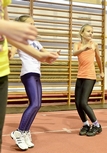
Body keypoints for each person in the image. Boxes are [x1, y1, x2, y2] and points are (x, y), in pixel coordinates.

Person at [0, 1, 58, 152]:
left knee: (38, 104)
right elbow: (12, 47)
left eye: (34, 23)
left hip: (36, 72)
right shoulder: (19, 38)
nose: (33, 26)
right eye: (30, 24)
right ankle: (19, 131)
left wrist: (52, 54)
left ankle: (25, 132)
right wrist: (10, 53)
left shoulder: (35, 41)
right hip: (27, 73)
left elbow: (42, 52)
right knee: (33, 103)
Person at [73, 24, 104, 137]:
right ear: (82, 33)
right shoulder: (77, 44)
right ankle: (86, 124)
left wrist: (101, 71)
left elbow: (98, 59)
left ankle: (96, 125)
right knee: (77, 103)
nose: (91, 33)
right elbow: (74, 53)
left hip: (90, 76)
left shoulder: (94, 44)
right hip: (80, 76)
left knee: (83, 103)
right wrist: (83, 48)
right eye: (88, 31)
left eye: (92, 32)